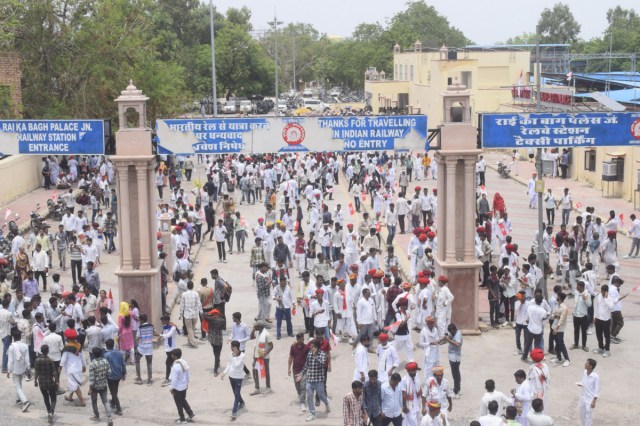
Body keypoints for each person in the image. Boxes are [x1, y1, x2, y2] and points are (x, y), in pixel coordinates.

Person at [296, 338, 330, 422]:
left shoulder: (322, 354)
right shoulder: (309, 354)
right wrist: (301, 374)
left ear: (317, 347)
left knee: (321, 395)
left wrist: (315, 356)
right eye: (311, 346)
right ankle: (312, 413)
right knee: (309, 396)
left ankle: (326, 403)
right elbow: (306, 365)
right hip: (310, 380)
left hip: (319, 380)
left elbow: (322, 364)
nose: (311, 347)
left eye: (313, 346)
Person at [220, 340, 246, 421]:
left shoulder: (242, 356)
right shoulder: (231, 354)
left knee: (236, 393)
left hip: (238, 377)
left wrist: (234, 355)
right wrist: (224, 372)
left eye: (232, 346)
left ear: (235, 347)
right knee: (236, 393)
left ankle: (234, 412)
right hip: (231, 376)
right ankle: (242, 402)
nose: (231, 348)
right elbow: (230, 364)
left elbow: (237, 365)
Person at [60, 328, 86, 406]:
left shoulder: (67, 348)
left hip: (71, 369)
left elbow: (63, 360)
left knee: (74, 386)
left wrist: (60, 368)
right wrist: (84, 366)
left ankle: (82, 401)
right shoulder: (79, 346)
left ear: (67, 338)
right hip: (79, 368)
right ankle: (70, 397)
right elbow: (82, 357)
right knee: (74, 384)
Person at [88, 348, 113, 426]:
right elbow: (109, 373)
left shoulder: (92, 364)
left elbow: (91, 379)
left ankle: (96, 416)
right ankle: (109, 418)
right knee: (105, 401)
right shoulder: (105, 361)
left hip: (95, 387)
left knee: (94, 401)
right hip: (104, 385)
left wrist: (90, 389)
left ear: (94, 354)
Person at [169, 348, 195, 424]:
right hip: (184, 386)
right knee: (183, 400)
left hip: (177, 388)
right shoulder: (184, 363)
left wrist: (171, 389)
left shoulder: (175, 367)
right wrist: (186, 383)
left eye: (172, 354)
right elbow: (188, 375)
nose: (171, 356)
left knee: (178, 404)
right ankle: (191, 414)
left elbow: (174, 380)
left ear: (175, 356)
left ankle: (182, 419)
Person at [7, 330, 31, 412]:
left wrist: (8, 370)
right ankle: (18, 399)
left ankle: (25, 401)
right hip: (23, 368)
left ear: (13, 337)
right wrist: (28, 368)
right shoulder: (25, 346)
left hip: (15, 369)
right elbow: (27, 359)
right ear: (20, 337)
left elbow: (10, 360)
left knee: (17, 385)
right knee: (20, 383)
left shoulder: (11, 347)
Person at [34, 344, 58, 423]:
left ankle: (49, 412)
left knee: (46, 398)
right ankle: (51, 412)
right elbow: (54, 372)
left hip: (41, 382)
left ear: (41, 351)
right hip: (50, 382)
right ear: (48, 351)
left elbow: (36, 372)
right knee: (53, 398)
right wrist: (57, 381)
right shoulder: (50, 360)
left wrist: (35, 381)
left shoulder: (37, 360)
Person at [289, 333, 311, 412]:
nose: (302, 340)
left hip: (304, 370)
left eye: (303, 339)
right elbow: (291, 357)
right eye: (301, 339)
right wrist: (288, 368)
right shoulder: (293, 347)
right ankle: (299, 395)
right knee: (297, 385)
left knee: (303, 386)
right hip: (295, 369)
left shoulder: (306, 348)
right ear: (297, 339)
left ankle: (302, 403)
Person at [250, 320, 273, 395]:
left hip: (264, 356)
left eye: (255, 326)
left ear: (259, 327)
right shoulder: (257, 332)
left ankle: (268, 387)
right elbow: (251, 337)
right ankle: (257, 388)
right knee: (255, 370)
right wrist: (253, 330)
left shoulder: (266, 334)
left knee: (266, 371)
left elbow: (271, 346)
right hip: (256, 355)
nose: (254, 326)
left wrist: (265, 353)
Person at [103, 339, 125, 416]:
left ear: (107, 346)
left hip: (111, 377)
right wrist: (124, 373)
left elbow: (105, 367)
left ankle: (119, 409)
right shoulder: (119, 353)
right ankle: (112, 402)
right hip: (118, 375)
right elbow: (123, 364)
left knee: (113, 393)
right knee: (115, 390)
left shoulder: (106, 355)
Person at [203, 308, 225, 376]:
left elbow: (204, 314)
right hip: (219, 340)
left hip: (212, 340)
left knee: (215, 353)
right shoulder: (222, 320)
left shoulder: (211, 320)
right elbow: (223, 326)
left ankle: (217, 365)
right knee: (217, 355)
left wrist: (209, 313)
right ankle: (215, 370)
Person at [442, 323, 462, 398]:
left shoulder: (458, 335)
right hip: (452, 356)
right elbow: (449, 338)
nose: (451, 333)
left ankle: (456, 392)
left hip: (455, 358)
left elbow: (457, 344)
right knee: (456, 374)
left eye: (451, 331)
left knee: (455, 375)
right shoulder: (454, 333)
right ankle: (458, 389)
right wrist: (444, 339)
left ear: (454, 329)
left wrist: (448, 340)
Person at [180, 281, 202, 349]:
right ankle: (189, 341)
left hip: (187, 315)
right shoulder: (196, 294)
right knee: (192, 328)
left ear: (187, 286)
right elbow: (199, 303)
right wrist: (201, 312)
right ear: (193, 286)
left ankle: (193, 343)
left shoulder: (184, 294)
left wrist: (180, 314)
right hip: (195, 315)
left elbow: (182, 305)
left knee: (189, 329)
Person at [134, 314, 154, 385]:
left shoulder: (140, 327)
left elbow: (137, 338)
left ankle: (139, 378)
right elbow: (153, 333)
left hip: (141, 347)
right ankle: (150, 380)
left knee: (137, 361)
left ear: (142, 320)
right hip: (149, 347)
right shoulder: (151, 326)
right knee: (149, 363)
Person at [578, 358, 599, 426]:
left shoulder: (595, 377)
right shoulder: (585, 372)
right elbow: (583, 381)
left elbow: (597, 389)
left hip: (589, 399)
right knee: (581, 413)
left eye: (587, 363)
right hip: (583, 397)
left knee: (588, 416)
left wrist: (594, 401)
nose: (585, 364)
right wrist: (580, 383)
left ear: (591, 366)